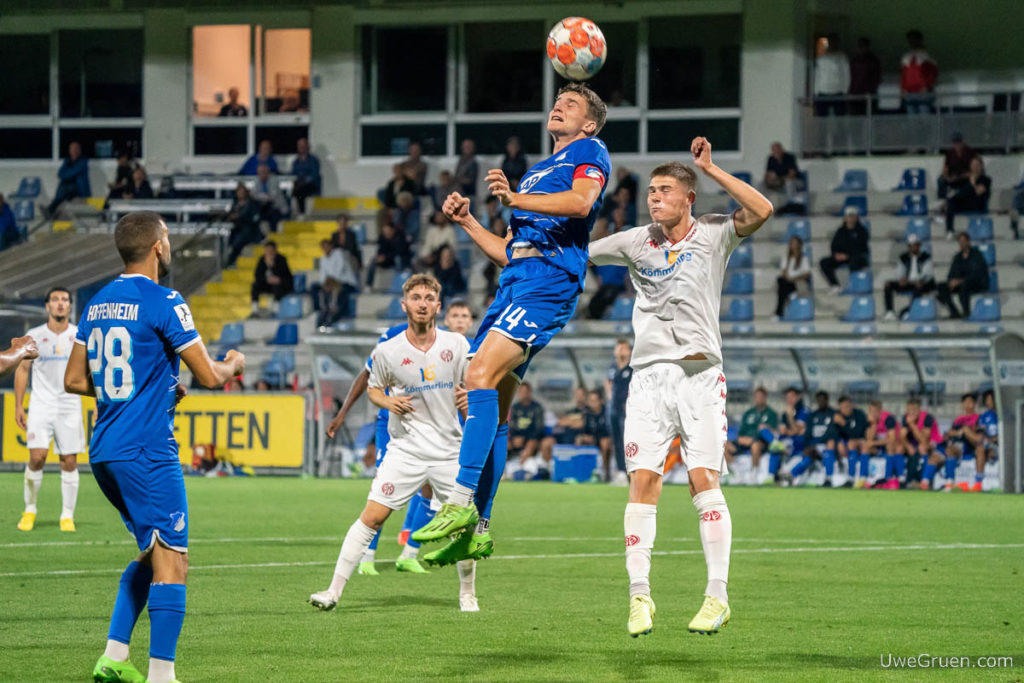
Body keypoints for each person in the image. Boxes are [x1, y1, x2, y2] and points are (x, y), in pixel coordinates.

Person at [412, 83, 612, 564]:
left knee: (476, 376)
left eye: (570, 105)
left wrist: (516, 199)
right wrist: (467, 223)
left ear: (588, 122)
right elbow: (508, 251)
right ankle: (478, 528)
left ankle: (458, 502)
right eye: (556, 101)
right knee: (492, 409)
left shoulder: (590, 150)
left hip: (547, 282)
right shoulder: (541, 170)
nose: (557, 107)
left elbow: (583, 203)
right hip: (516, 282)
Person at [586, 140, 772, 635]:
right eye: (651, 191)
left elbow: (763, 209)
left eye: (665, 191)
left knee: (702, 480)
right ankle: (638, 596)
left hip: (698, 377)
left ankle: (717, 596)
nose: (654, 199)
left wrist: (710, 169)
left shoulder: (714, 233)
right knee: (642, 482)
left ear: (689, 197)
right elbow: (580, 256)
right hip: (646, 380)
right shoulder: (635, 241)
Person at [63, 210, 245, 683]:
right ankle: (162, 676)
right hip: (146, 450)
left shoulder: (97, 302)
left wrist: (150, 387)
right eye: (166, 237)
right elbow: (208, 376)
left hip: (104, 449)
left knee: (149, 552)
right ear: (158, 247)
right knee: (174, 559)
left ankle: (114, 657)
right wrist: (233, 363)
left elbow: (75, 379)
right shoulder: (166, 300)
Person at [308, 274, 481, 612]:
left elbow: (475, 382)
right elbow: (373, 387)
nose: (422, 303)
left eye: (429, 297)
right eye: (416, 297)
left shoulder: (457, 345)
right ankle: (332, 591)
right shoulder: (388, 350)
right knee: (371, 518)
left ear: (438, 306)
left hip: (449, 451)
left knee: (463, 525)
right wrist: (386, 402)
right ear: (404, 304)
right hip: (407, 451)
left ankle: (467, 594)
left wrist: (468, 397)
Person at [13, 287, 84, 532]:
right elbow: (22, 370)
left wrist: (97, 404)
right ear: (47, 306)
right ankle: (30, 509)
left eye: (65, 300)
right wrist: (18, 405)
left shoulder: (79, 335)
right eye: (55, 300)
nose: (61, 304)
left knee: (69, 461)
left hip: (70, 405)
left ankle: (67, 515)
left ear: (70, 306)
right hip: (41, 404)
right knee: (37, 457)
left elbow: (90, 371)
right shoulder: (34, 336)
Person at [725, 386, 779, 484]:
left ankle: (754, 474)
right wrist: (742, 439)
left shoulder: (771, 414)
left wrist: (755, 438)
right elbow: (741, 432)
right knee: (723, 444)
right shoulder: (748, 413)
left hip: (760, 443)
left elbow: (773, 432)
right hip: (744, 441)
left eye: (760, 397)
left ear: (765, 397)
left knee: (755, 445)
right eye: (756, 397)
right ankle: (736, 472)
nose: (758, 399)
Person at [937, 393, 986, 492]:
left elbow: (979, 438)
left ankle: (978, 484)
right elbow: (950, 433)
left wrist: (966, 431)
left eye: (970, 402)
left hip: (971, 446)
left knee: (979, 447)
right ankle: (950, 483)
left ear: (974, 404)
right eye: (965, 402)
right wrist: (960, 432)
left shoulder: (978, 418)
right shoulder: (958, 419)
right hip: (957, 445)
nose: (967, 404)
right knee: (948, 450)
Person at [790, 391, 839, 487]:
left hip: (826, 445)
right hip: (814, 446)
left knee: (830, 444)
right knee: (807, 459)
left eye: (822, 400)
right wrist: (807, 446)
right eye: (818, 400)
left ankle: (828, 478)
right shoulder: (813, 415)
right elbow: (808, 434)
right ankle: (791, 475)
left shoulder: (833, 414)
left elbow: (834, 433)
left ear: (827, 400)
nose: (820, 402)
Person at [937, 232, 989, 319]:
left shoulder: (977, 255)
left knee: (964, 285)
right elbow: (951, 273)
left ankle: (966, 312)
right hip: (960, 283)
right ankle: (954, 312)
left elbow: (976, 274)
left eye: (964, 241)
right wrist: (952, 281)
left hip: (976, 283)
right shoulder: (958, 257)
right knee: (941, 287)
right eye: (960, 241)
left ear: (968, 242)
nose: (962, 243)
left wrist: (960, 281)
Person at [819, 206, 870, 295]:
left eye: (852, 216)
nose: (850, 218)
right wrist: (836, 255)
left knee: (855, 261)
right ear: (845, 218)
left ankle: (852, 285)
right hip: (842, 257)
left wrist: (848, 255)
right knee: (824, 262)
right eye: (848, 216)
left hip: (857, 257)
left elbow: (861, 248)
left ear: (856, 218)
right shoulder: (840, 231)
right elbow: (833, 245)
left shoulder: (862, 231)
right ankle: (835, 285)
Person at [883, 233, 935, 320]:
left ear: (919, 246)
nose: (912, 248)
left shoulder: (926, 257)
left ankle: (910, 311)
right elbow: (900, 272)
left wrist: (917, 281)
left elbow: (927, 274)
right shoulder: (903, 258)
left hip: (921, 283)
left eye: (914, 245)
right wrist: (902, 279)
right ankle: (890, 311)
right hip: (908, 282)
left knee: (918, 286)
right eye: (910, 246)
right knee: (888, 284)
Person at [313, 238, 359, 327]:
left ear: (331, 246)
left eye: (326, 246)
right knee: (314, 288)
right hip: (330, 284)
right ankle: (321, 308)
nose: (325, 249)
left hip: (346, 282)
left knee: (340, 291)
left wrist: (330, 283)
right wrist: (325, 284)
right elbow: (322, 275)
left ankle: (338, 311)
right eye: (323, 247)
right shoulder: (323, 258)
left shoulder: (339, 254)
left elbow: (339, 271)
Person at [605, 339, 632, 485]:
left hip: (627, 409)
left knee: (627, 440)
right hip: (614, 409)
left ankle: (631, 471)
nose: (620, 350)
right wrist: (609, 397)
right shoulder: (613, 367)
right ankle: (621, 471)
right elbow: (608, 382)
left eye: (623, 348)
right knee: (616, 441)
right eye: (618, 348)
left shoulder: (633, 367)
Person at [944, 156, 990, 237]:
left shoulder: (985, 179)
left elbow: (978, 192)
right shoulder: (966, 177)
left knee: (955, 198)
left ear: (981, 166)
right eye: (973, 165)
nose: (974, 167)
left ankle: (943, 207)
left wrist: (973, 182)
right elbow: (952, 183)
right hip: (965, 203)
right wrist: (948, 177)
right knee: (951, 202)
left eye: (977, 165)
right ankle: (949, 230)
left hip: (977, 205)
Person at [903, 398, 943, 490]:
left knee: (922, 448)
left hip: (935, 445)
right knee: (901, 448)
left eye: (913, 410)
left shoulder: (927, 418)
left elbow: (923, 440)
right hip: (917, 446)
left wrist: (912, 424)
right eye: (909, 410)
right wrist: (907, 445)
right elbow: (902, 435)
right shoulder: (906, 417)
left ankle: (922, 481)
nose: (911, 412)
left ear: (918, 409)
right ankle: (901, 479)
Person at [865, 400, 903, 489]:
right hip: (880, 445)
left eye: (875, 411)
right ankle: (864, 478)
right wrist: (873, 424)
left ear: (880, 411)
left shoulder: (888, 419)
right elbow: (869, 439)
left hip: (892, 445)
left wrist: (874, 443)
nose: (873, 414)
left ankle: (889, 478)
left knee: (891, 446)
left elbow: (892, 439)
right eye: (871, 411)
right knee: (865, 447)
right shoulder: (870, 420)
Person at [833, 396, 869, 488]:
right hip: (844, 442)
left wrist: (844, 423)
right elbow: (832, 433)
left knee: (852, 443)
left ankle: (860, 478)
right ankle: (850, 478)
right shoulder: (836, 416)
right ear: (839, 407)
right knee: (840, 444)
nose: (847, 409)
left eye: (849, 406)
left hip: (859, 440)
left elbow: (859, 433)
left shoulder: (859, 414)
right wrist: (839, 442)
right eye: (844, 407)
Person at [46, 141, 90, 217]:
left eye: (76, 149)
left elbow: (71, 173)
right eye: (72, 149)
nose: (74, 151)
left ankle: (51, 209)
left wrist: (66, 174)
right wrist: (66, 174)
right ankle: (54, 211)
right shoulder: (67, 161)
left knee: (66, 188)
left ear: (79, 150)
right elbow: (60, 174)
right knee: (63, 186)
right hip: (67, 191)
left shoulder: (83, 162)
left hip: (79, 191)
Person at [250, 241, 293, 316]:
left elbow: (287, 276)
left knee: (277, 287)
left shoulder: (281, 260)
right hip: (267, 284)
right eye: (267, 251)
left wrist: (276, 276)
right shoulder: (262, 260)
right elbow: (257, 275)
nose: (269, 253)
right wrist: (266, 277)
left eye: (271, 250)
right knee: (255, 285)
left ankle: (275, 310)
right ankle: (254, 310)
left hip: (280, 284)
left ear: (275, 250)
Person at [365, 221, 411, 290]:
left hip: (399, 260)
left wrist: (386, 257)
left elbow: (399, 252)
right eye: (384, 231)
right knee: (373, 261)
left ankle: (399, 284)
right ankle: (368, 285)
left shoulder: (400, 237)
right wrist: (380, 256)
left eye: (388, 231)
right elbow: (380, 249)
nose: (386, 233)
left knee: (397, 259)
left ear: (393, 230)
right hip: (387, 260)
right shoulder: (382, 237)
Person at [508, 382, 546, 464]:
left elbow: (539, 428)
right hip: (517, 437)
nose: (523, 394)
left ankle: (519, 466)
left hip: (532, 438)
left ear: (529, 393)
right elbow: (512, 425)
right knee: (504, 444)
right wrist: (514, 437)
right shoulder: (515, 407)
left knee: (531, 444)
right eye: (521, 392)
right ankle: (505, 468)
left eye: (525, 392)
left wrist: (525, 437)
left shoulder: (537, 407)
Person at [578, 389, 612, 481]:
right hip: (593, 440)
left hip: (605, 439)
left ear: (600, 401)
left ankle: (606, 472)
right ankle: (581, 472)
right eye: (590, 401)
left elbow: (608, 431)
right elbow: (584, 430)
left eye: (594, 401)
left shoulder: (607, 412)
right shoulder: (587, 413)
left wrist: (594, 437)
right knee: (579, 440)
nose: (592, 403)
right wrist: (584, 436)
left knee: (605, 442)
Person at [225, 184, 263, 267]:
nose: (241, 193)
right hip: (237, 229)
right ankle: (230, 260)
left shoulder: (251, 203)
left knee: (239, 240)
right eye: (239, 192)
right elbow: (230, 215)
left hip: (250, 229)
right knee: (232, 238)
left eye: (242, 191)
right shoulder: (235, 204)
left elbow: (255, 218)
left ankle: (230, 261)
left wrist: (241, 217)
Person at [900, 30, 937, 114]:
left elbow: (932, 74)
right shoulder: (906, 57)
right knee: (912, 120)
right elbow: (904, 76)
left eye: (914, 39)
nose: (911, 42)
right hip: (909, 92)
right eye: (910, 40)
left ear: (920, 40)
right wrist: (903, 89)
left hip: (923, 92)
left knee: (924, 118)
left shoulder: (927, 56)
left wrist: (926, 87)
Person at [774, 235, 811, 318]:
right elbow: (783, 272)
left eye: (794, 243)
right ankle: (791, 293)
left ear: (799, 245)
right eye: (791, 243)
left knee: (782, 289)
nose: (792, 245)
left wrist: (795, 278)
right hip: (788, 282)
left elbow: (807, 274)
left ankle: (778, 313)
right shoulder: (786, 258)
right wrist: (788, 277)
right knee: (780, 281)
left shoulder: (804, 259)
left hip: (798, 282)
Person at [776, 387, 808, 481]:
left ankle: (790, 475)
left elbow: (799, 431)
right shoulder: (785, 413)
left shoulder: (804, 411)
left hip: (799, 444)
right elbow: (782, 431)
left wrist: (790, 417)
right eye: (787, 397)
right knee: (774, 446)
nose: (789, 400)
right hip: (787, 442)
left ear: (798, 397)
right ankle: (773, 476)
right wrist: (793, 431)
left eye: (792, 397)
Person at [813, 34, 850, 116]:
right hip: (822, 92)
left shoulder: (842, 57)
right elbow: (817, 75)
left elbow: (846, 74)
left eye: (834, 42)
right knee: (821, 119)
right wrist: (815, 92)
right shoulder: (821, 57)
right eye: (830, 42)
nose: (832, 44)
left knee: (840, 119)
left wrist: (845, 90)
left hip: (838, 92)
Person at [938, 133, 977, 204]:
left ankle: (960, 199)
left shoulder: (970, 152)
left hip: (965, 176)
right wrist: (946, 177)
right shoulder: (950, 153)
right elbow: (946, 168)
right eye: (955, 143)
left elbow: (973, 170)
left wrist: (959, 177)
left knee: (969, 183)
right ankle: (943, 201)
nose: (957, 145)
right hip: (952, 176)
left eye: (958, 143)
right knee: (940, 180)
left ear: (962, 142)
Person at [848, 38, 882, 115]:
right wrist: (850, 91)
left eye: (863, 46)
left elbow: (877, 77)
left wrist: (871, 90)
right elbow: (850, 77)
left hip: (869, 94)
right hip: (855, 94)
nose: (861, 48)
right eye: (859, 46)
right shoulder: (854, 60)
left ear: (867, 47)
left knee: (870, 119)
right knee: (856, 120)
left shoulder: (873, 60)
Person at [251, 163, 289, 230]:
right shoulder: (258, 180)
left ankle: (273, 234)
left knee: (269, 213)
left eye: (263, 172)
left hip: (279, 209)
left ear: (268, 173)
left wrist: (261, 196)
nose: (261, 174)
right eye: (259, 173)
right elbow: (253, 195)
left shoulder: (273, 180)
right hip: (266, 209)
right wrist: (264, 196)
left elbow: (271, 197)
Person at [290, 137, 321, 214]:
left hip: (311, 186)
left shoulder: (313, 160)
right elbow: (293, 174)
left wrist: (304, 181)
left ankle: (302, 213)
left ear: (308, 147)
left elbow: (315, 175)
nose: (302, 148)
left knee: (301, 190)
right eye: (300, 146)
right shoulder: (296, 162)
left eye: (303, 146)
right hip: (298, 185)